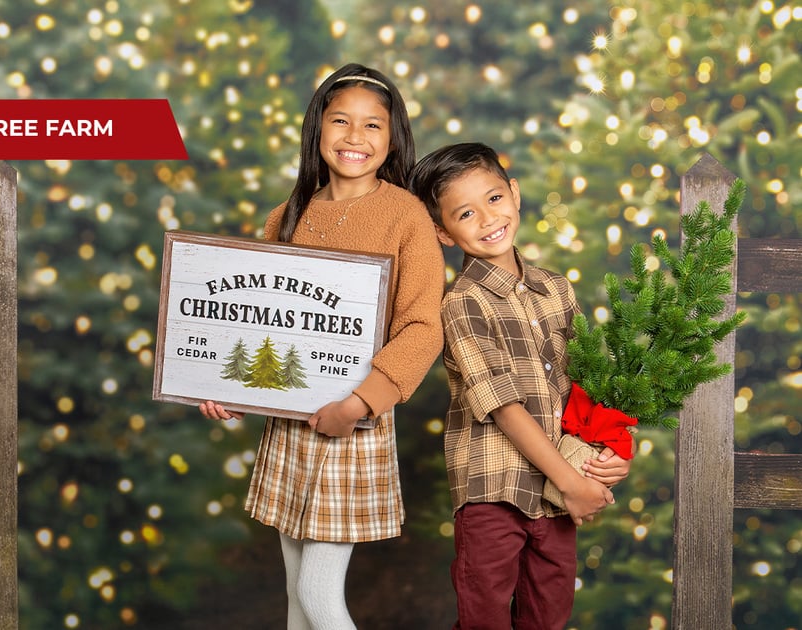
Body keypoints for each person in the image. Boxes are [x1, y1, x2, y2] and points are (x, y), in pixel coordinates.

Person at [199, 63, 445, 629]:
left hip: (352, 423)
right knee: (294, 593)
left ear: (393, 137)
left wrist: (357, 405)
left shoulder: (405, 215)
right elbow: (260, 322)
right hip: (290, 425)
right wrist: (227, 389)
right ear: (317, 130)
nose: (355, 138)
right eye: (340, 121)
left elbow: (421, 327)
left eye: (372, 126)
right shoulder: (286, 216)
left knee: (317, 592)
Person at [407, 142, 632, 630]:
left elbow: (587, 386)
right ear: (443, 232)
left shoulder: (557, 289)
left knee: (548, 613)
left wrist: (604, 454)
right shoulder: (463, 304)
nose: (488, 219)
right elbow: (504, 407)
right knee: (484, 614)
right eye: (465, 213)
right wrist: (573, 484)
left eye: (493, 199)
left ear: (515, 193)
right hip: (494, 488)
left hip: (558, 490)